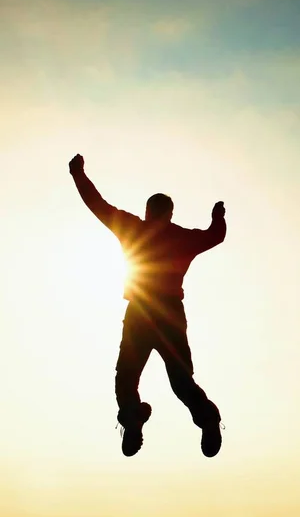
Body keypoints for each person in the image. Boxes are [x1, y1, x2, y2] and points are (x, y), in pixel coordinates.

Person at [69, 154, 227, 458]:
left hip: (141, 313)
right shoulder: (182, 237)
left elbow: (97, 204)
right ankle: (203, 419)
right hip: (167, 314)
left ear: (148, 212)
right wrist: (217, 217)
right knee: (179, 382)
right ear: (168, 213)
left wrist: (78, 174)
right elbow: (215, 236)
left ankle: (133, 417)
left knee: (126, 377)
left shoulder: (133, 228)